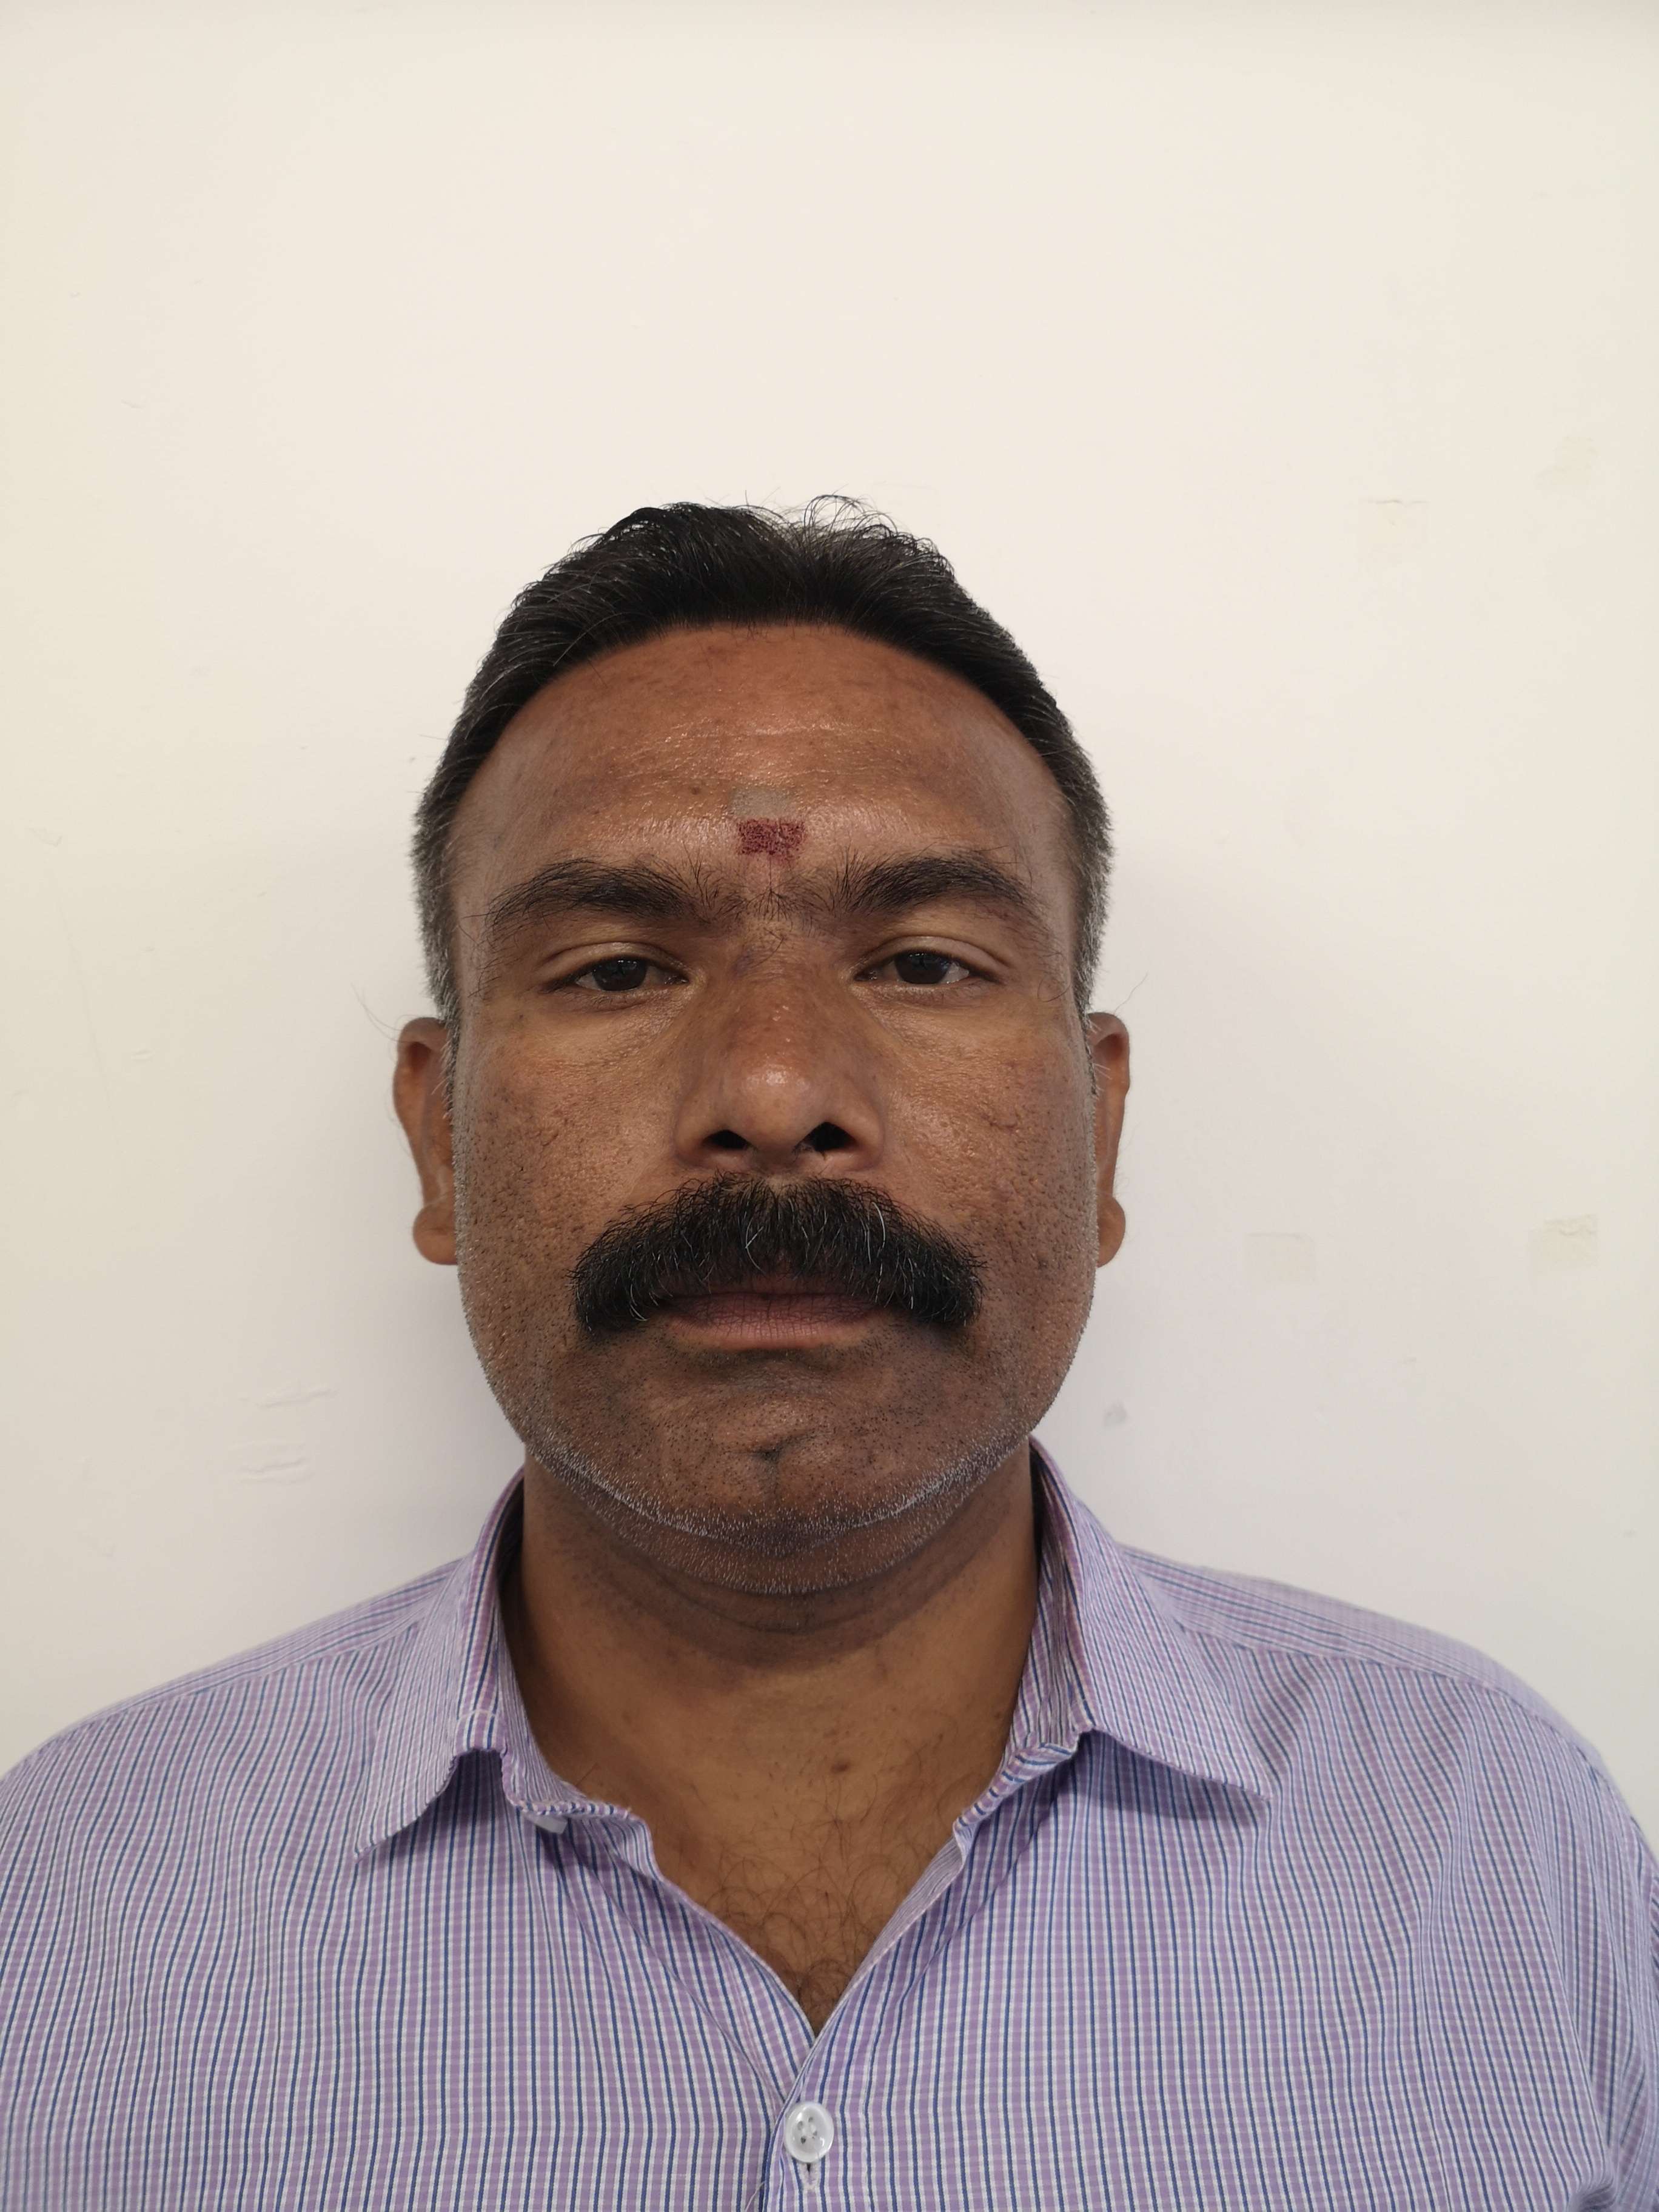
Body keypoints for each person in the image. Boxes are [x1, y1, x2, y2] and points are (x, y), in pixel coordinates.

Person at [1, 501, 1654, 2210]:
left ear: (1102, 1135)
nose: (776, 1093)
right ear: (438, 1140)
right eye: (619, 970)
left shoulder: (1498, 1857)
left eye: (926, 963)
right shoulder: (69, 1917)